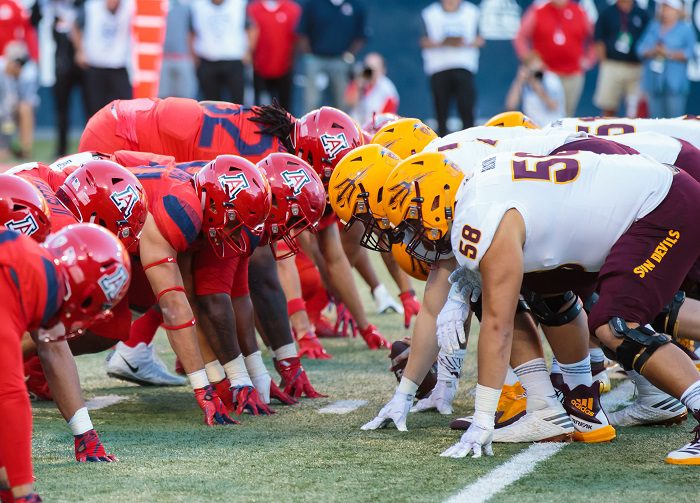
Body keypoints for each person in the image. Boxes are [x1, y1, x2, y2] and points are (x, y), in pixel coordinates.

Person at [0, 223, 131, 502]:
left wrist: (85, 433)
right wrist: (21, 492)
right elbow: (9, 395)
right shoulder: (20, 278)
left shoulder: (36, 265)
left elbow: (52, 346)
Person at [514, 0, 593, 116]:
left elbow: (594, 38)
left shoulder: (579, 11)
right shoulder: (538, 10)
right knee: (542, 114)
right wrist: (530, 61)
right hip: (546, 75)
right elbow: (520, 37)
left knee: (567, 116)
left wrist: (589, 60)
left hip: (572, 74)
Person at [31, 0, 88, 157]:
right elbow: (33, 19)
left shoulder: (83, 5)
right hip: (61, 63)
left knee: (91, 107)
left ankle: (92, 148)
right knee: (61, 110)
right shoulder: (48, 6)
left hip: (86, 62)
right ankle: (61, 150)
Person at [420, 0, 482, 136]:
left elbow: (480, 40)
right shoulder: (430, 14)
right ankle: (441, 147)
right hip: (439, 67)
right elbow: (423, 41)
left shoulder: (472, 12)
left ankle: (470, 142)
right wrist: (442, 42)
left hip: (464, 66)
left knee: (467, 110)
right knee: (441, 113)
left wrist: (464, 41)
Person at [297, 0, 368, 112]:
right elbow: (302, 32)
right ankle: (307, 128)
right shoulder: (313, 4)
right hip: (316, 59)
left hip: (340, 61)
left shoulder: (355, 5)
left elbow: (361, 35)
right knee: (311, 102)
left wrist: (349, 54)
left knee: (341, 103)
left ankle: (342, 129)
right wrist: (308, 55)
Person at [72, 0, 133, 116]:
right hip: (95, 66)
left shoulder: (130, 7)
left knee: (124, 111)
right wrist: (79, 51)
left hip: (118, 66)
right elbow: (75, 26)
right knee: (94, 112)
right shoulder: (91, 7)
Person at [636, 0, 696, 118]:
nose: (665, 11)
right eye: (663, 7)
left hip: (675, 84)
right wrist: (653, 51)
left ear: (677, 10)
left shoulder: (686, 29)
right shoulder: (654, 26)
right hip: (654, 83)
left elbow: (690, 53)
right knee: (655, 120)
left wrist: (668, 53)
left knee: (674, 121)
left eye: (668, 8)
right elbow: (640, 49)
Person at [593, 0, 648, 117]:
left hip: (635, 67)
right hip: (612, 65)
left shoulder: (642, 13)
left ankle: (635, 135)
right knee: (608, 107)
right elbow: (598, 39)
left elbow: (649, 39)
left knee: (635, 110)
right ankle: (607, 134)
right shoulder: (607, 12)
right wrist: (604, 63)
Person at [189, 0, 248, 102]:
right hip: (207, 60)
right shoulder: (197, 6)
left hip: (233, 60)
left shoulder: (238, 4)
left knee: (237, 103)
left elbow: (251, 28)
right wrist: (194, 57)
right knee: (210, 104)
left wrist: (248, 52)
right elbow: (191, 32)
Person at [247, 0, 301, 109]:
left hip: (285, 67)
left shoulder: (292, 9)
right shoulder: (253, 9)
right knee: (260, 109)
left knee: (285, 109)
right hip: (259, 68)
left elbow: (297, 39)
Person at [0, 41, 39, 160]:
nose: (19, 66)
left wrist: (17, 79)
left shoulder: (28, 72)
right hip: (2, 111)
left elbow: (31, 102)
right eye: (16, 62)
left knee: (25, 108)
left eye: (21, 63)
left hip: (13, 111)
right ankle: (4, 148)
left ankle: (25, 150)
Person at [505, 54, 565, 127]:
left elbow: (553, 107)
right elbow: (510, 106)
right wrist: (519, 81)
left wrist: (537, 87)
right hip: (532, 128)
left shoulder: (551, 79)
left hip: (553, 126)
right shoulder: (523, 81)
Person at [346, 52, 399, 127]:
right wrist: (358, 86)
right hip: (355, 125)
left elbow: (384, 119)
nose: (371, 72)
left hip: (375, 129)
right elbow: (349, 103)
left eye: (374, 69)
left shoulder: (387, 90)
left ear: (382, 70)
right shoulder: (360, 81)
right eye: (368, 68)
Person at [159, 0, 197, 99]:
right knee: (163, 99)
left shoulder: (188, 6)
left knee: (185, 98)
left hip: (183, 57)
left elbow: (191, 32)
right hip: (162, 58)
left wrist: (192, 55)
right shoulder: (158, 6)